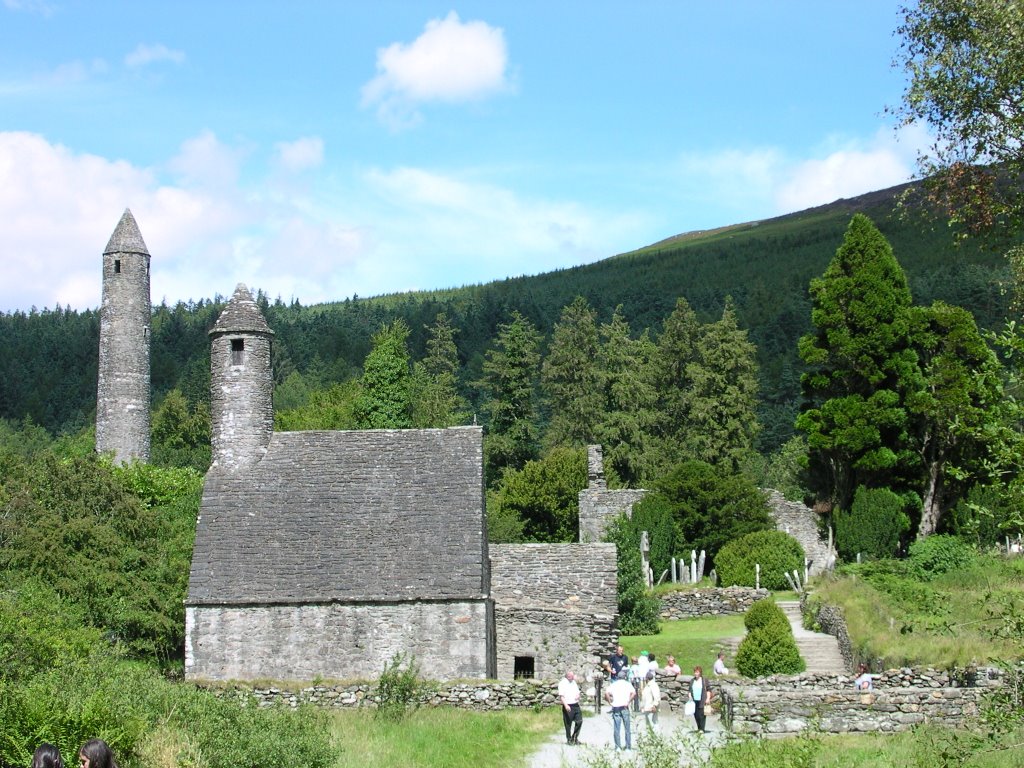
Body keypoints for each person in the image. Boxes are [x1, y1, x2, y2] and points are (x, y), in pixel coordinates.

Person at [604, 669, 635, 751]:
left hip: (616, 707)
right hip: (625, 706)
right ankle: (628, 747)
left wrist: (610, 702)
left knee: (617, 728)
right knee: (627, 728)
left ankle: (618, 746)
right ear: (625, 677)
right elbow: (634, 693)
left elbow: (606, 693)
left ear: (618, 677)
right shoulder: (628, 684)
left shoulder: (614, 684)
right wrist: (628, 701)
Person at [558, 669, 583, 745]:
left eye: (573, 676)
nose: (573, 677)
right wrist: (566, 705)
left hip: (575, 704)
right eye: (572, 676)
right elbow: (561, 696)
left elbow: (578, 692)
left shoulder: (573, 682)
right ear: (568, 676)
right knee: (568, 724)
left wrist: (578, 696)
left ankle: (575, 738)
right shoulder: (562, 683)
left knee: (579, 721)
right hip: (568, 705)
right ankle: (569, 739)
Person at [689, 665, 711, 733]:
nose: (696, 673)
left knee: (702, 714)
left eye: (697, 672)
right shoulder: (692, 680)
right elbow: (690, 690)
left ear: (700, 673)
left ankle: (702, 728)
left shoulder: (704, 680)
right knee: (696, 715)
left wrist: (708, 698)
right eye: (695, 672)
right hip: (694, 700)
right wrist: (690, 697)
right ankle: (699, 727)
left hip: (702, 700)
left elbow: (708, 690)